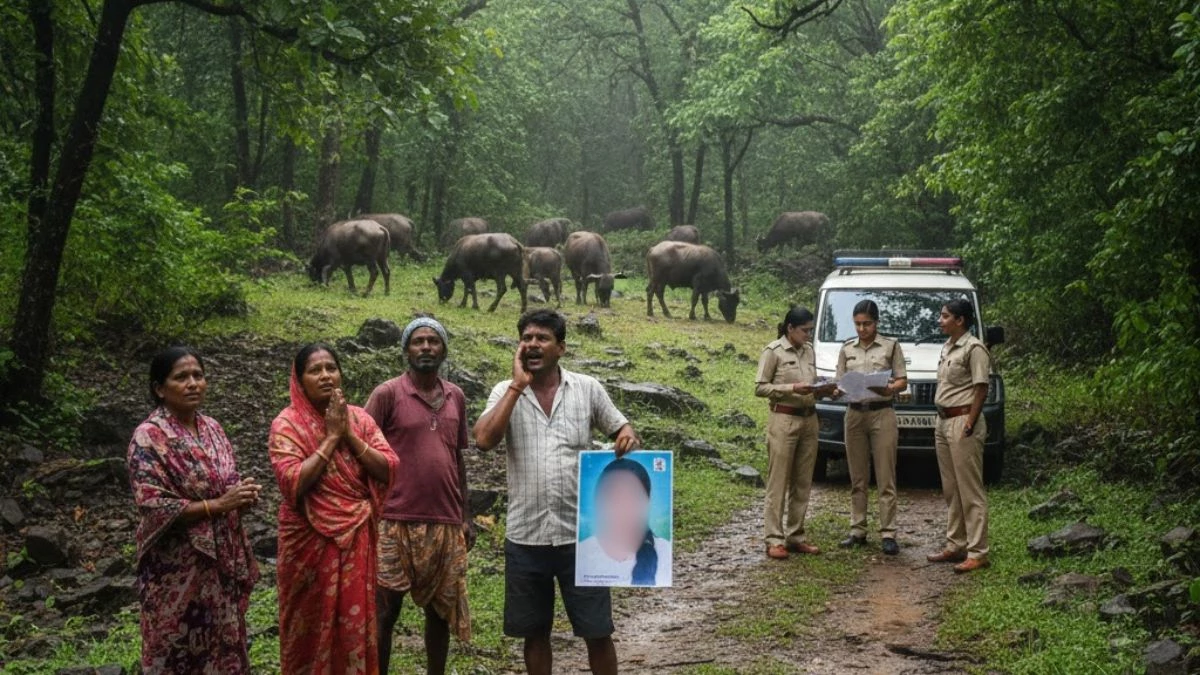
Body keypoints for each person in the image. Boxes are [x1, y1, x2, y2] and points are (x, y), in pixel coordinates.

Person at [473, 309, 640, 675]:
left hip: (582, 534)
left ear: (561, 347)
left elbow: (621, 427)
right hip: (526, 535)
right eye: (527, 338)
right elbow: (484, 439)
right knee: (534, 634)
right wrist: (517, 386)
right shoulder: (504, 391)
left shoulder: (587, 388)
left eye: (542, 338)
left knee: (597, 630)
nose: (533, 344)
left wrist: (626, 435)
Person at [127, 346, 261, 673]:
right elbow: (153, 503)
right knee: (177, 646)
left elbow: (227, 478)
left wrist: (241, 495)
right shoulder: (149, 438)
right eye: (181, 377)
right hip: (176, 566)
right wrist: (218, 505)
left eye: (198, 376)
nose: (192, 384)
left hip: (220, 561)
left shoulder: (212, 428)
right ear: (159, 388)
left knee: (223, 643)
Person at [268, 343, 398, 674]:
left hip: (357, 539)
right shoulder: (288, 424)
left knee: (353, 627)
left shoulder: (361, 419)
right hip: (308, 546)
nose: (326, 376)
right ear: (299, 379)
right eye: (315, 370)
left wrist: (349, 435)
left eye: (331, 368)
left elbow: (389, 468)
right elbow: (292, 482)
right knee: (308, 626)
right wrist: (329, 439)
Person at [364, 318, 473, 675]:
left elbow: (458, 457)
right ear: (406, 350)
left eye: (433, 341)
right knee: (385, 611)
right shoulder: (387, 394)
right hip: (393, 519)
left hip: (444, 520)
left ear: (443, 349)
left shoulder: (455, 395)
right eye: (418, 341)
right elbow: (359, 449)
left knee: (439, 611)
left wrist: (465, 515)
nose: (426, 347)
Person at [754, 306, 836, 560]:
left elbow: (810, 380)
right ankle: (774, 539)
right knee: (779, 481)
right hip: (784, 418)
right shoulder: (773, 352)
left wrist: (824, 388)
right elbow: (760, 387)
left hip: (809, 419)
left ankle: (795, 535)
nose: (808, 335)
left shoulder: (809, 350)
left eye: (811, 330)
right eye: (804, 330)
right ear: (790, 328)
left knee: (803, 480)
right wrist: (792, 388)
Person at [835, 299, 908, 555]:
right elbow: (840, 382)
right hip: (854, 414)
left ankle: (888, 532)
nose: (862, 329)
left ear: (876, 323)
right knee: (857, 476)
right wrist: (834, 390)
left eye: (866, 323)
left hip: (882, 413)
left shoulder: (890, 346)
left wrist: (888, 388)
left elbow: (902, 381)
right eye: (857, 324)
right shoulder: (847, 348)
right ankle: (858, 529)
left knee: (886, 474)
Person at [926, 299, 992, 573]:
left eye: (945, 316)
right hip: (943, 420)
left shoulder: (974, 348)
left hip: (963, 420)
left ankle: (978, 551)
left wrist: (970, 422)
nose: (940, 320)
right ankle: (956, 544)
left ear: (960, 320)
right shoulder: (948, 346)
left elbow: (981, 388)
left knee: (970, 488)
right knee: (951, 487)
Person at [577, 457, 672, 587]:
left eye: (632, 497)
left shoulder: (664, 551)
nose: (623, 507)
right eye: (613, 497)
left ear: (648, 502)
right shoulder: (583, 553)